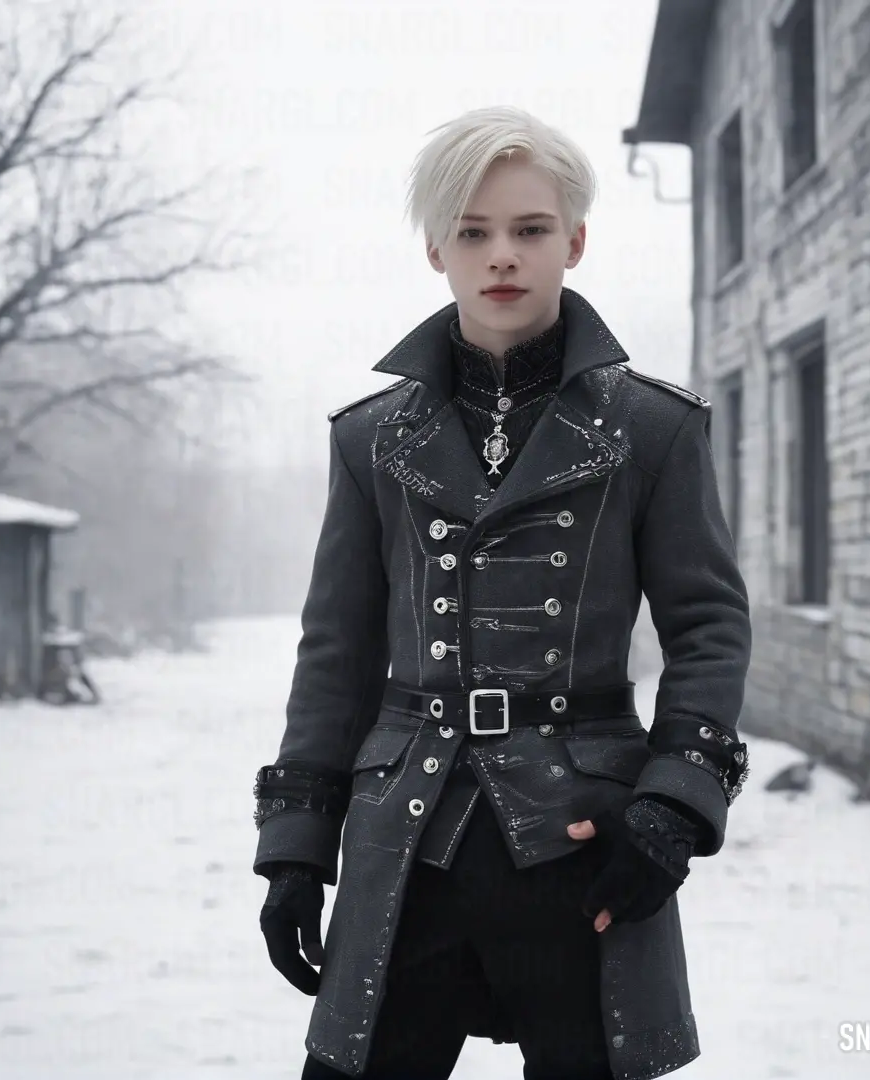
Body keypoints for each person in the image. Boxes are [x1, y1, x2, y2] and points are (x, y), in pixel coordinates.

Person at [252, 106, 752, 1080]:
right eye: (473, 232)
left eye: (528, 230)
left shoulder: (654, 429)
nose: (502, 257)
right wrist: (297, 848)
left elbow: (708, 628)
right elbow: (337, 653)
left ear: (574, 238)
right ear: (436, 246)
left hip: (582, 839)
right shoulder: (369, 439)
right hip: (406, 838)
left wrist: (671, 811)